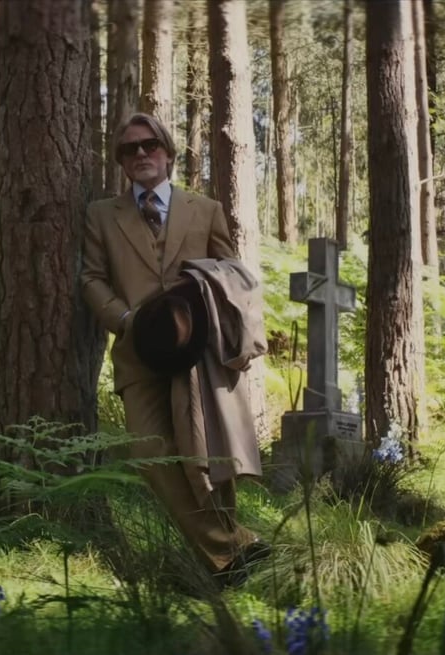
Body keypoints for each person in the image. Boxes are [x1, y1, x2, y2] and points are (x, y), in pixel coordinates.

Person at [80, 112, 269, 588]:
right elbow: (91, 278)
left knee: (207, 455)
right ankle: (237, 548)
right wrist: (124, 320)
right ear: (122, 161)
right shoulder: (102, 214)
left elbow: (233, 274)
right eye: (129, 149)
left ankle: (226, 570)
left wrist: (205, 300)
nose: (141, 154)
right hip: (137, 351)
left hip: (198, 352)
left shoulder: (204, 210)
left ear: (167, 151)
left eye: (149, 145)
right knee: (149, 453)